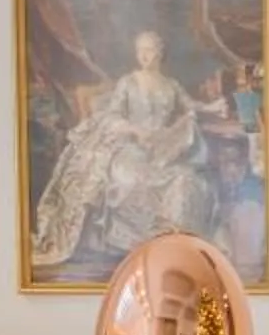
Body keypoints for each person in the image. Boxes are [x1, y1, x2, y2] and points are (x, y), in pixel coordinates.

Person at [29, 29, 219, 275]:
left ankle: (171, 246)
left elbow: (190, 106)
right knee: (130, 177)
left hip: (162, 148)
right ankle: (134, 244)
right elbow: (113, 115)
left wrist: (211, 107)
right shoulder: (128, 82)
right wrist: (135, 130)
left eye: (149, 50)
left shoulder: (171, 85)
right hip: (130, 146)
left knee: (186, 178)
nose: (144, 56)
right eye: (140, 50)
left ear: (160, 52)